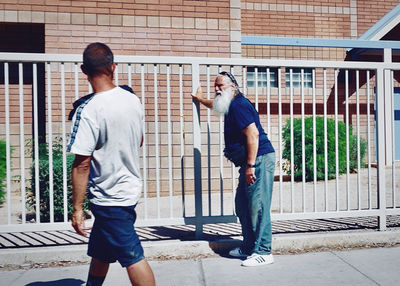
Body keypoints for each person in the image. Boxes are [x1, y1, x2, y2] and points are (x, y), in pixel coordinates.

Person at [67, 42, 156, 286]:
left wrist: (77, 209)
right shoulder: (132, 100)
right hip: (128, 189)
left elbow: (81, 164)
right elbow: (138, 140)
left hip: (110, 197)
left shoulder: (89, 109)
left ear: (84, 70)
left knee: (132, 257)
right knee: (102, 249)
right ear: (113, 67)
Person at [191, 71, 276, 267]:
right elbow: (215, 104)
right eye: (215, 86)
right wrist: (200, 99)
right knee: (243, 205)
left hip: (259, 159)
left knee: (258, 206)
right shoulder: (229, 103)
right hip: (250, 162)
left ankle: (264, 251)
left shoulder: (239, 105)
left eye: (221, 85)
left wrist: (251, 165)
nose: (217, 89)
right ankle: (248, 247)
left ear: (233, 87)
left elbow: (253, 134)